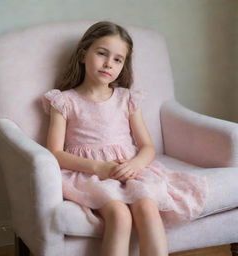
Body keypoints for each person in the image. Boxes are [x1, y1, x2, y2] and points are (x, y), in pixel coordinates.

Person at [42, 21, 208, 256]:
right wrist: (99, 167)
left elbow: (147, 146)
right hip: (90, 173)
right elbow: (55, 153)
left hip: (130, 169)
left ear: (123, 65)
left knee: (147, 206)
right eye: (102, 53)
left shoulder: (126, 99)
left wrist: (134, 165)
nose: (109, 63)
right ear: (82, 54)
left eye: (118, 59)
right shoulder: (64, 101)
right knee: (119, 215)